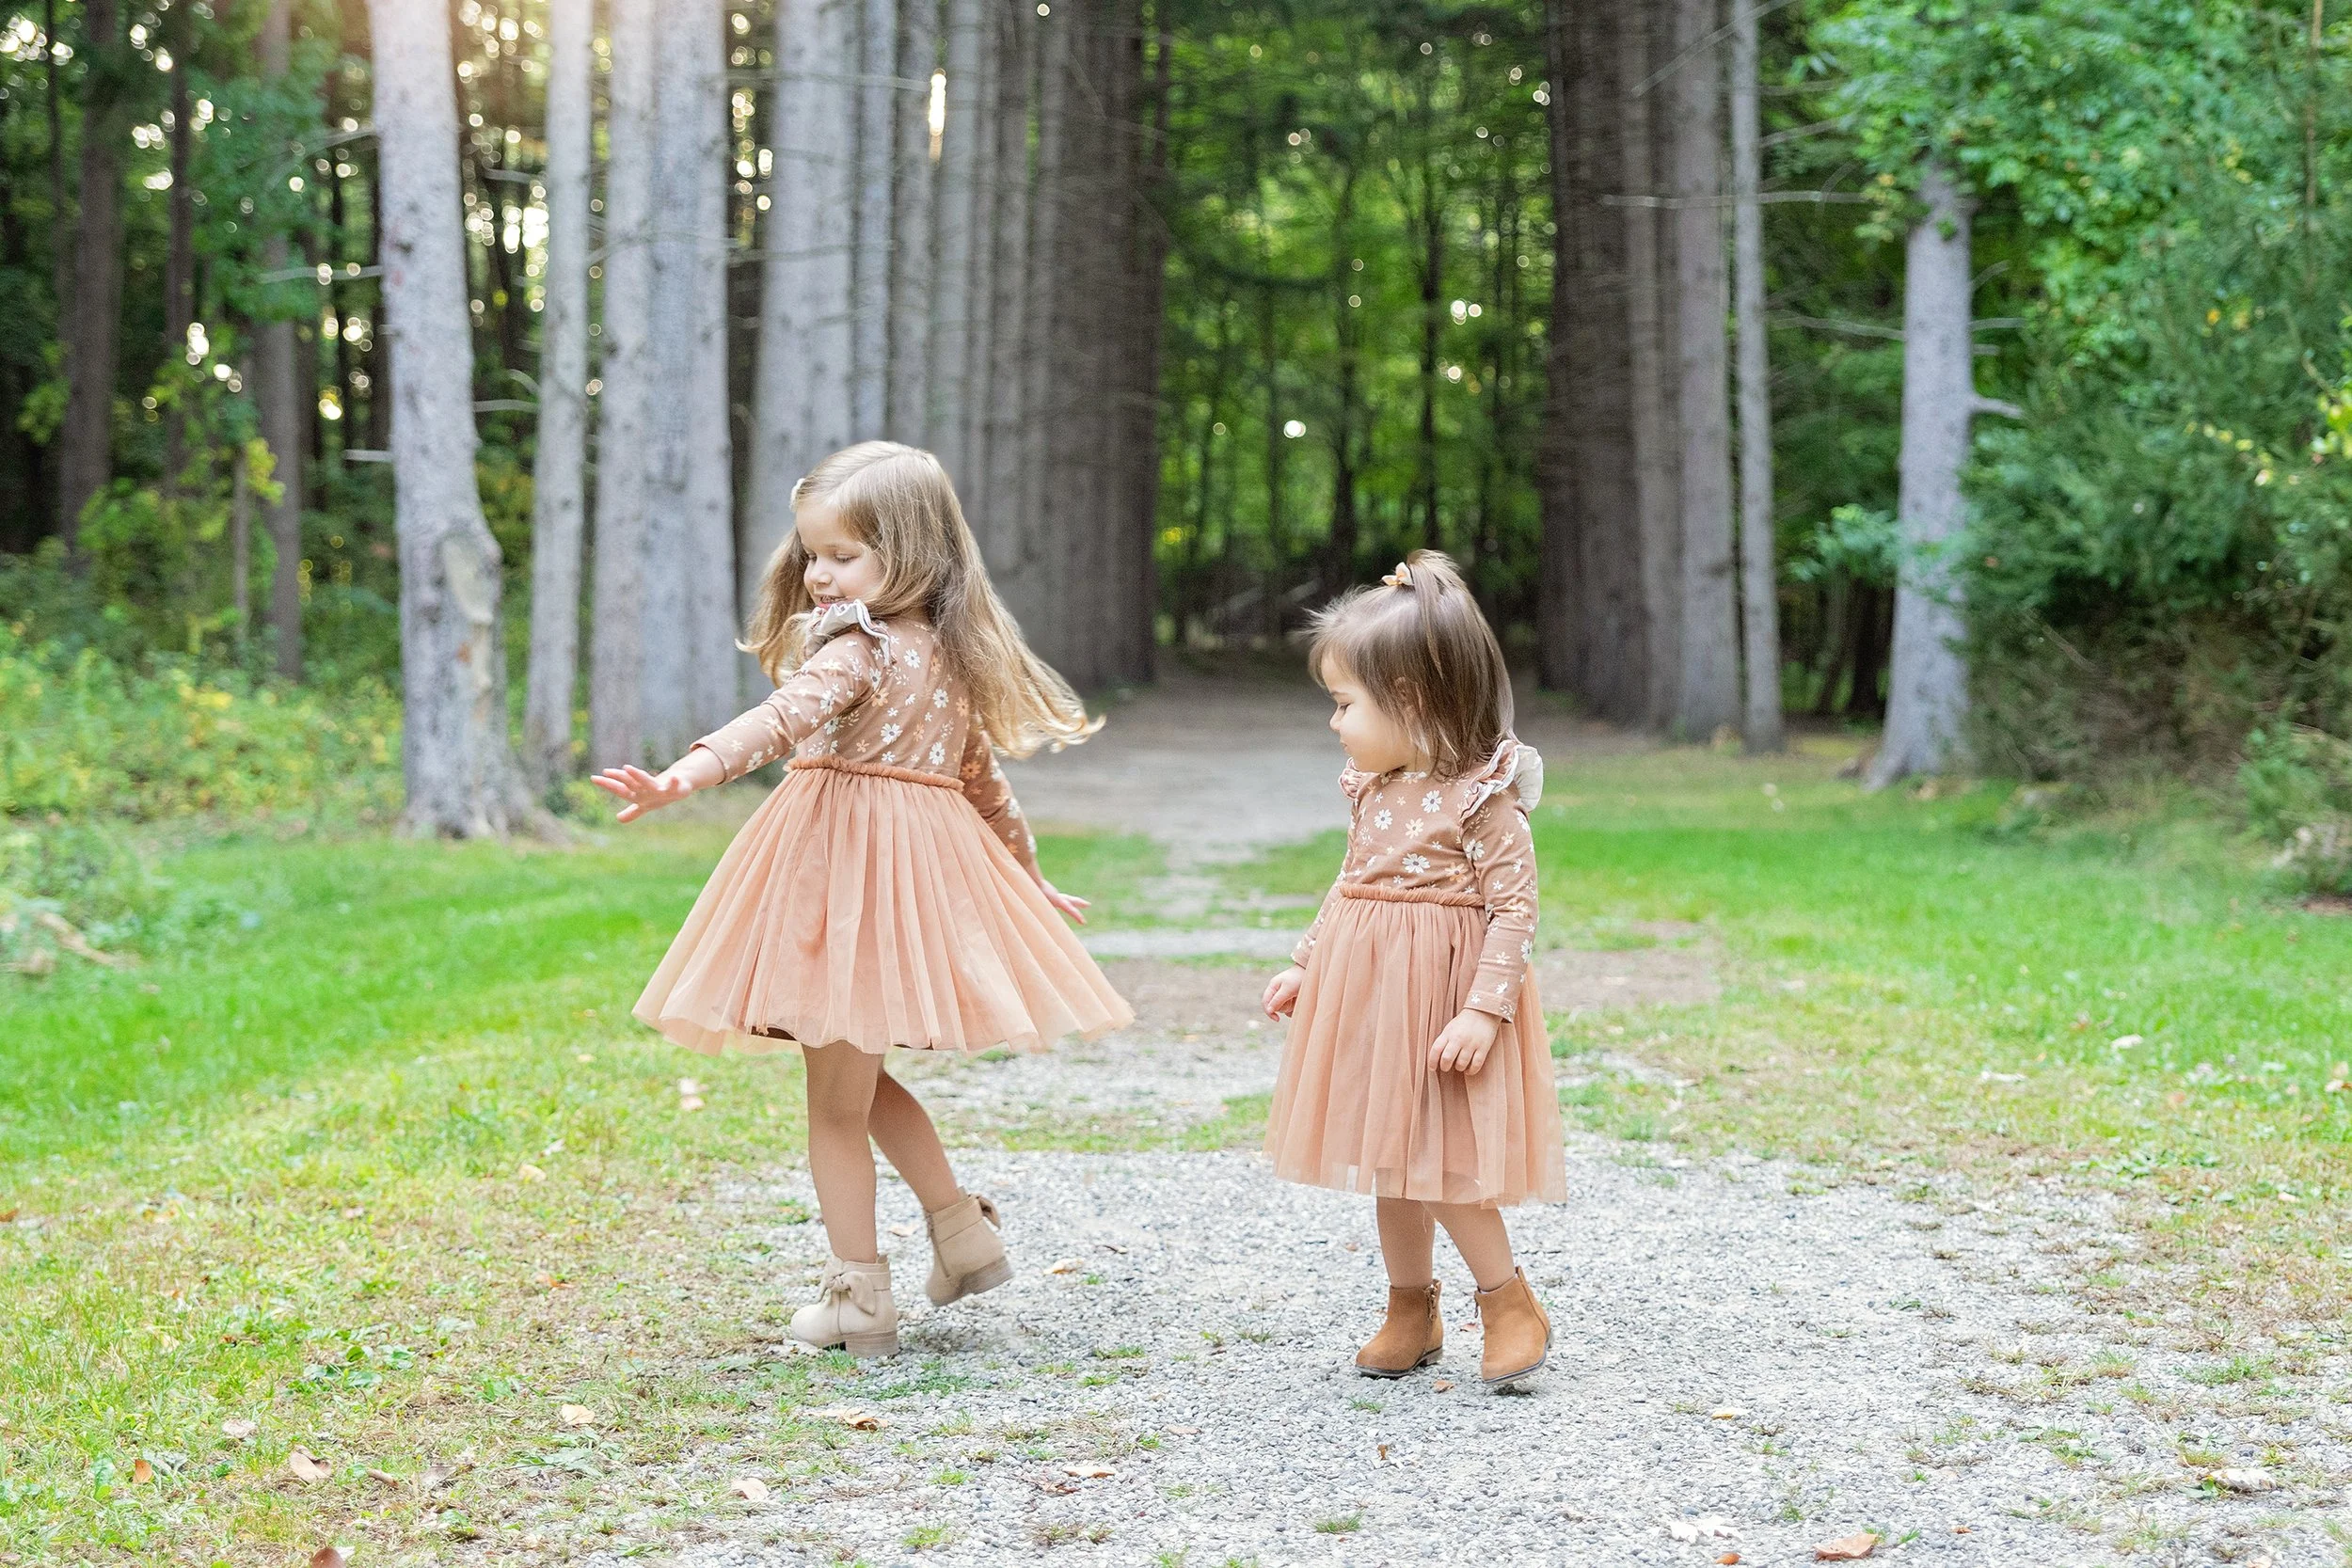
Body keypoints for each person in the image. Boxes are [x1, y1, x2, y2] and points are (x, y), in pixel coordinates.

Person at [595, 441, 1132, 1358]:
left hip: (848, 887)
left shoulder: (860, 650)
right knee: (857, 1076)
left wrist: (686, 777)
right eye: (812, 552)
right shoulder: (945, 654)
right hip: (893, 889)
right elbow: (985, 784)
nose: (817, 573)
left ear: (911, 553)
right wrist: (1026, 869)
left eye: (843, 555)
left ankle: (859, 1297)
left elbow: (782, 718)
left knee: (835, 1100)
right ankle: (961, 1234)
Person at [1260, 551, 1565, 1390]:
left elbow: (1515, 911)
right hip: (1374, 996)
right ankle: (1409, 1305)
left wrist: (1483, 1011)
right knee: (1389, 1156)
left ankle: (1507, 1301)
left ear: (1417, 702)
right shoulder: (1371, 785)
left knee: (1446, 1162)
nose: (1335, 722)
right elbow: (1351, 881)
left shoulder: (1483, 796)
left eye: (1346, 703)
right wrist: (1306, 964)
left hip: (1442, 1003)